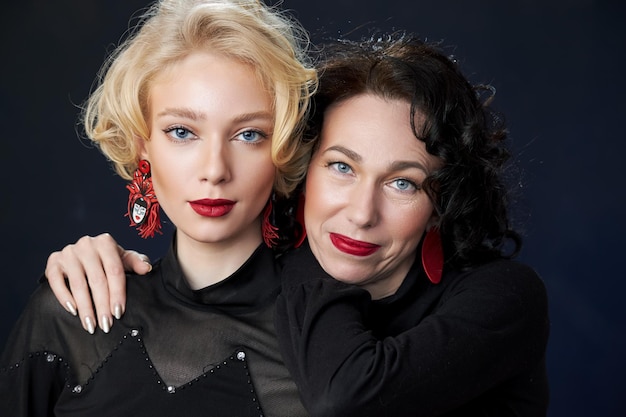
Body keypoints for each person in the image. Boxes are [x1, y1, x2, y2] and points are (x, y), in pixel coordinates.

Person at [41, 33, 550, 416]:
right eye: (342, 167)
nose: (360, 212)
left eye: (403, 183)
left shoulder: (503, 297)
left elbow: (345, 394)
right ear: (302, 168)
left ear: (443, 202)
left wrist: (306, 260)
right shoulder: (274, 279)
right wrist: (89, 259)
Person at [0, 0, 317, 416]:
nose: (214, 170)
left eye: (248, 134)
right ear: (142, 144)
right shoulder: (69, 315)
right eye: (182, 131)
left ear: (283, 149)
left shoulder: (324, 348)